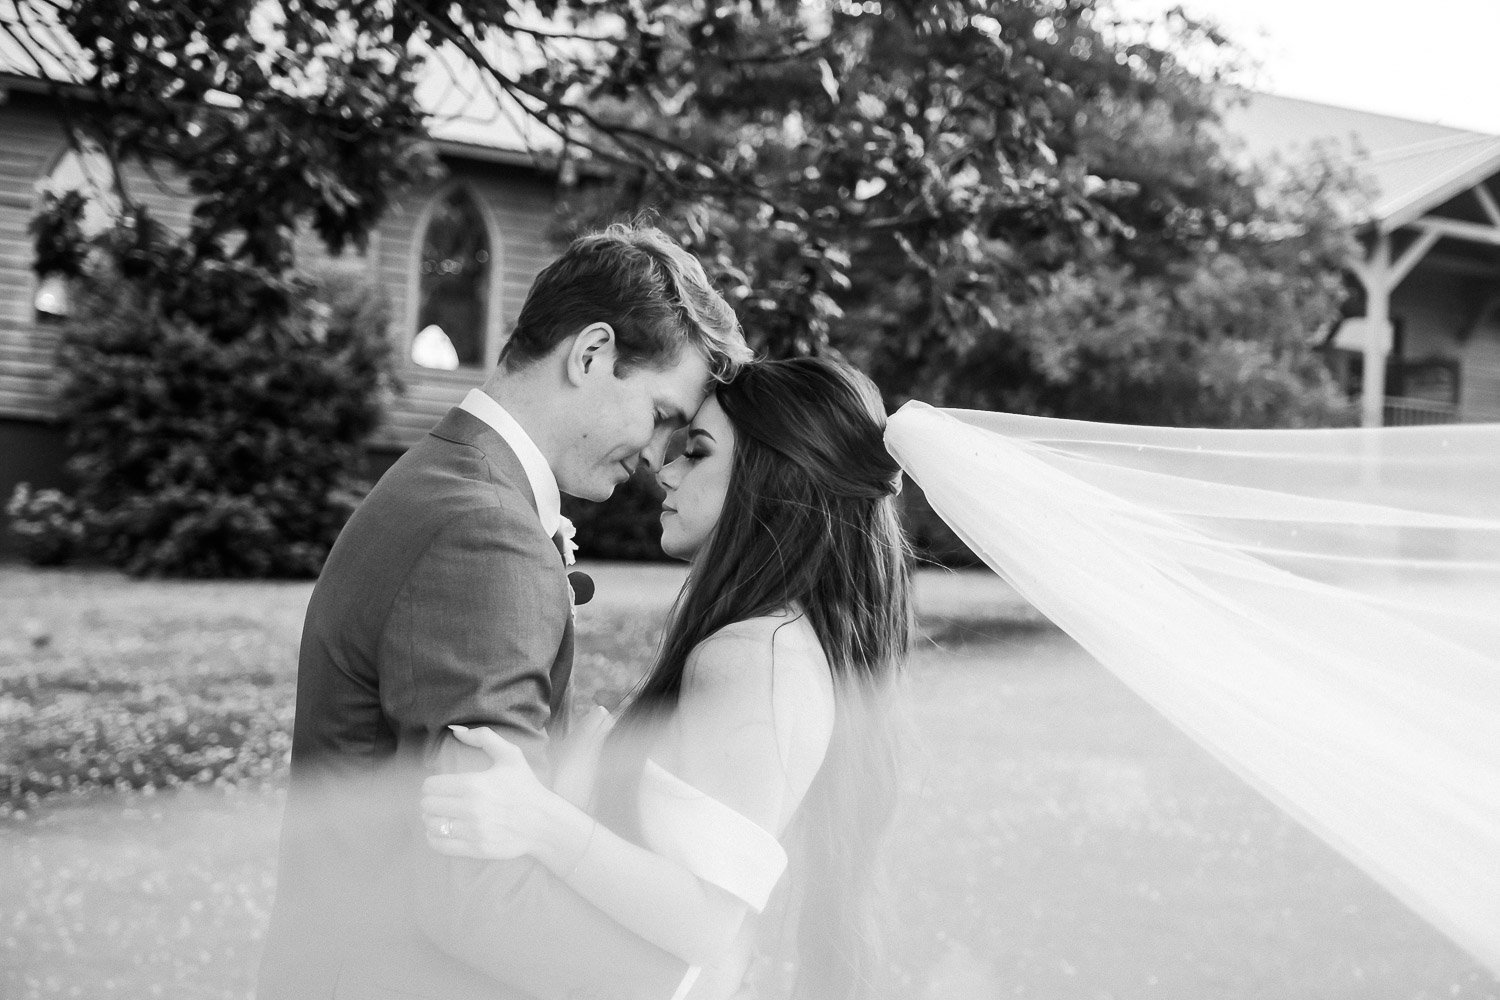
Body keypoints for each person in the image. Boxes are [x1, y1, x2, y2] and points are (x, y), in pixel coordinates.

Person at [257, 222, 753, 1000]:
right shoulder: (485, 533)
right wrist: (681, 979)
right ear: (590, 355)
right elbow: (477, 896)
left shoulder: (442, 479)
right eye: (660, 414)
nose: (658, 456)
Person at [419, 356, 912, 1000]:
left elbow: (706, 919)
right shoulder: (781, 642)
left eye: (697, 453)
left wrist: (537, 818)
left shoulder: (750, 656)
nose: (664, 469)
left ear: (771, 481)